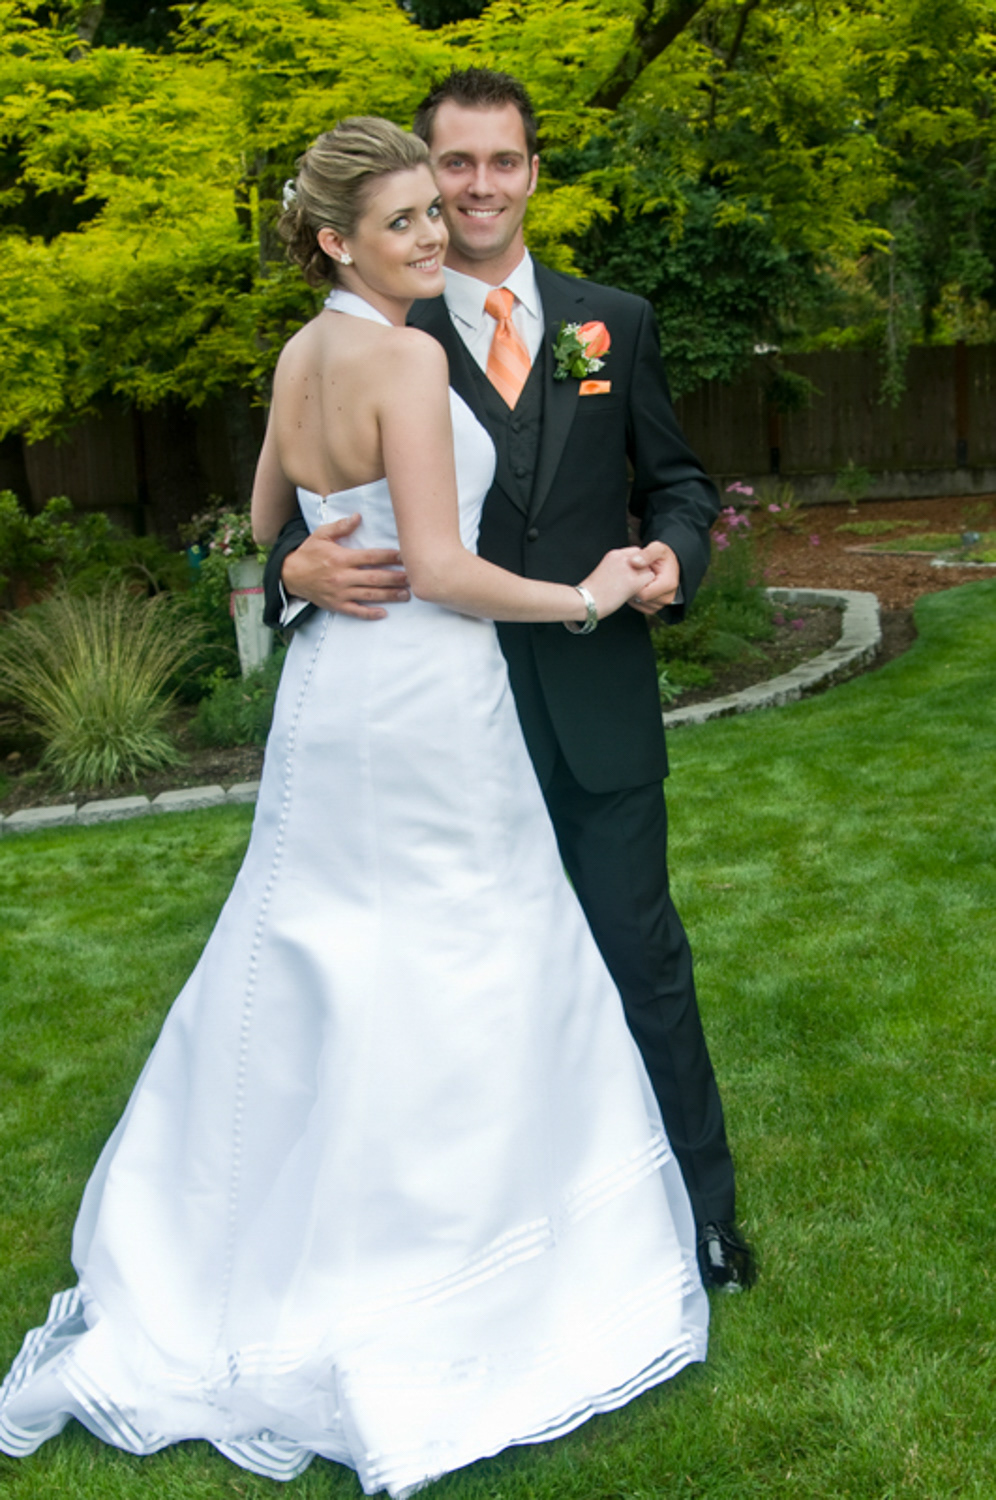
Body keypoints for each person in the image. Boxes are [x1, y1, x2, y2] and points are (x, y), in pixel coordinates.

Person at [0, 119, 709, 1496]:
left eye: (434, 213)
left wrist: (301, 568)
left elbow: (271, 520)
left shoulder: (298, 354)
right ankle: (441, 1263)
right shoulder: (403, 357)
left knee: (333, 953)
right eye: (404, 221)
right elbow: (439, 568)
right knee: (460, 956)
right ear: (335, 240)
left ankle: (285, 1239)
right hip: (430, 698)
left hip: (333, 698)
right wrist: (586, 596)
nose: (436, 234)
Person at [263, 68, 755, 1290]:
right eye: (455, 166)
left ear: (533, 172)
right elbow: (296, 507)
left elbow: (679, 483)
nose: (475, 191)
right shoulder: (384, 319)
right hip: (444, 725)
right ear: (424, 174)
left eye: (502, 162)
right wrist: (292, 572)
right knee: (468, 985)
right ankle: (518, 1234)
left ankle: (701, 1210)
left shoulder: (612, 320)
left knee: (640, 954)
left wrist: (673, 556)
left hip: (595, 707)